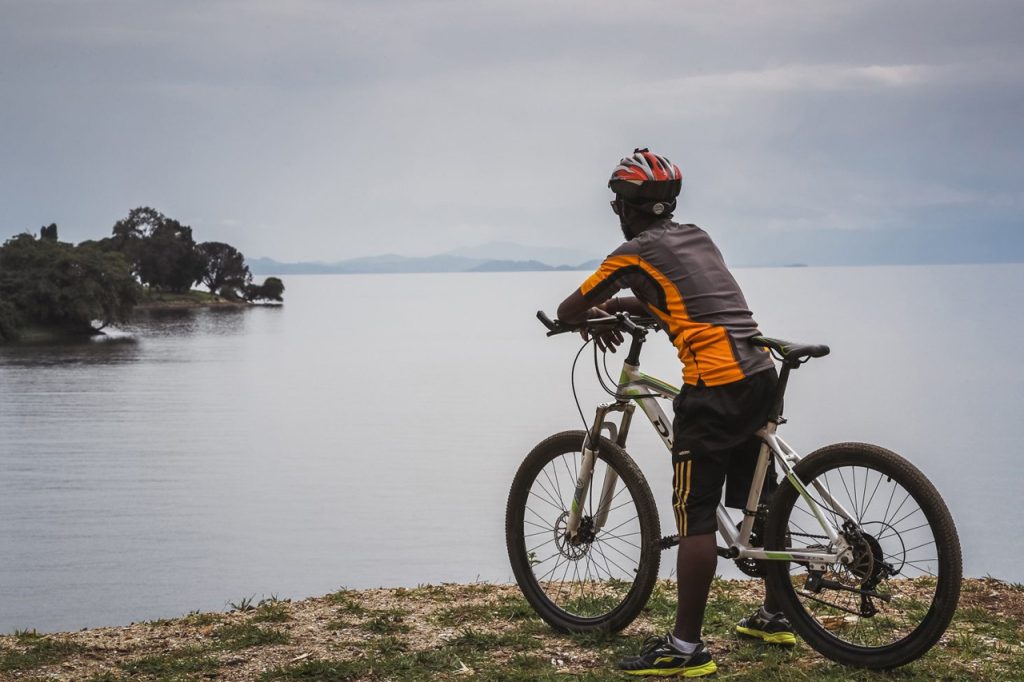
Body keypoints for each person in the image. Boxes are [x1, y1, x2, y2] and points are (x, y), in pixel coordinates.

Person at [556, 148, 796, 677]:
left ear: (625, 207)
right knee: (762, 502)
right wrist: (621, 308)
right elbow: (683, 298)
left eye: (617, 200)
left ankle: (685, 648)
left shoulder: (632, 253)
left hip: (714, 391)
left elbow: (568, 310)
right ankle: (778, 613)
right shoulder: (699, 237)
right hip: (757, 373)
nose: (616, 208)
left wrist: (593, 315)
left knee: (697, 518)